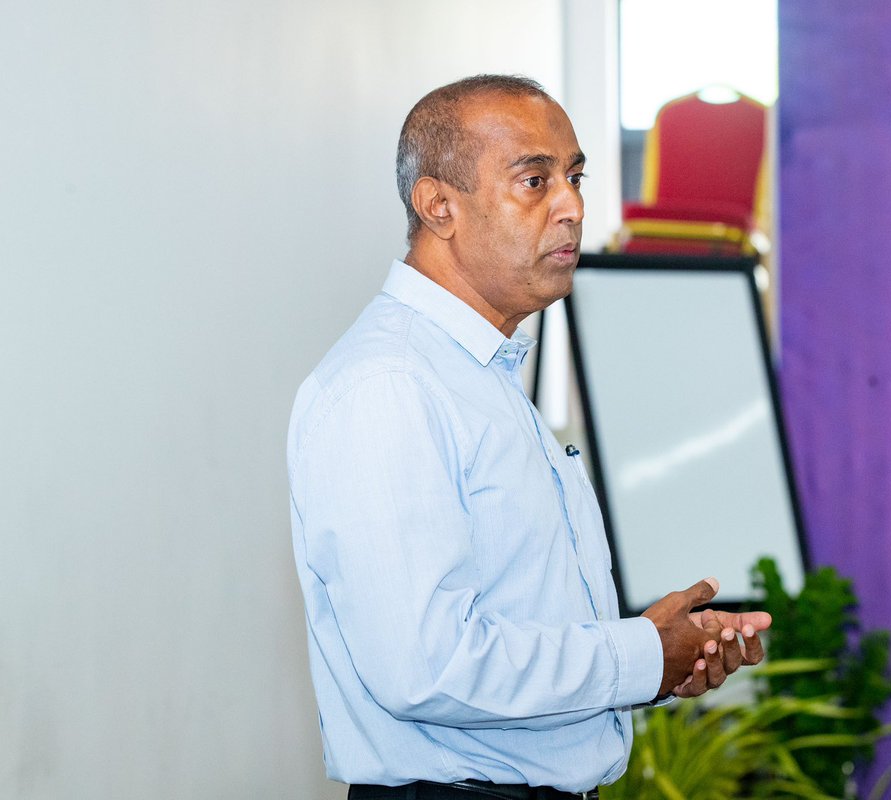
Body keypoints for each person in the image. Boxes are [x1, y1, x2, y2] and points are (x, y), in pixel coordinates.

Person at [287, 74, 773, 800]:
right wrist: (639, 655)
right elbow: (425, 666)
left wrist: (658, 658)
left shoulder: (480, 374)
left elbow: (513, 628)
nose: (572, 206)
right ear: (438, 206)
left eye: (575, 177)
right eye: (535, 181)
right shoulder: (389, 385)